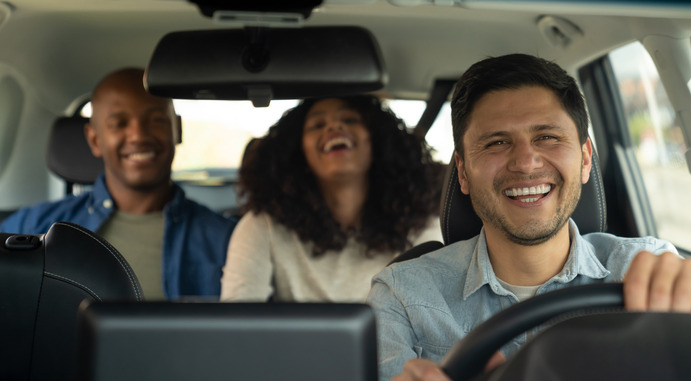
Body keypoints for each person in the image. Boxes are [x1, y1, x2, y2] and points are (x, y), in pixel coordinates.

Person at [367, 54, 691, 381]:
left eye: (547, 137)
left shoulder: (645, 272)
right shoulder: (403, 294)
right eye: (496, 143)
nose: (526, 163)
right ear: (462, 172)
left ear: (586, 158)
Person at [0, 67, 236, 301]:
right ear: (94, 139)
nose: (138, 135)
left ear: (178, 129)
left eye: (156, 120)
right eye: (119, 123)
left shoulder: (229, 242)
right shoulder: (32, 228)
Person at [220, 95, 443, 302]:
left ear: (378, 142)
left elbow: (433, 321)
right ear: (298, 152)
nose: (334, 126)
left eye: (350, 119)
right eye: (317, 125)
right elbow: (236, 324)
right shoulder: (263, 226)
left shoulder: (420, 223)